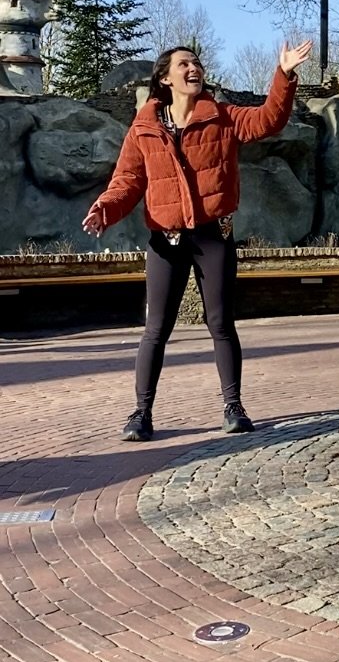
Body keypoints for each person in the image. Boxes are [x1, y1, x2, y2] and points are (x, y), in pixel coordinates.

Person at [82, 39, 312, 441]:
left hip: (214, 237)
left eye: (197, 63)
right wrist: (106, 208)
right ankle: (141, 414)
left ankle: (233, 406)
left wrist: (285, 74)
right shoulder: (144, 128)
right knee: (156, 328)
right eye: (184, 64)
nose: (194, 69)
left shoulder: (222, 117)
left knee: (221, 323)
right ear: (164, 77)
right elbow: (128, 181)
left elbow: (268, 120)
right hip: (165, 242)